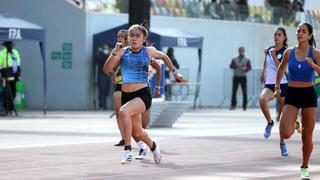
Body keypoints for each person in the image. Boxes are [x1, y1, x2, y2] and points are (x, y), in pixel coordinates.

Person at [104, 24, 183, 164]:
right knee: (138, 133)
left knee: (123, 112)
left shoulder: (148, 51)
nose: (134, 38)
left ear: (144, 38)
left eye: (137, 36)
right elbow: (107, 69)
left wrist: (175, 72)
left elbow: (164, 57)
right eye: (131, 35)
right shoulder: (122, 51)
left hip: (142, 94)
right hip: (126, 94)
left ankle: (127, 150)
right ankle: (153, 146)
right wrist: (114, 54)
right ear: (127, 38)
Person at [275, 22, 320, 179]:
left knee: (307, 137)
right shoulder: (289, 52)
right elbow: (281, 69)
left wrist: (314, 65)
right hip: (293, 93)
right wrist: (277, 87)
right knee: (285, 132)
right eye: (298, 31)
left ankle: (304, 167)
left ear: (310, 35)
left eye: (303, 31)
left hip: (308, 94)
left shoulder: (315, 53)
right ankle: (295, 124)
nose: (300, 33)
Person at [112, 29, 162, 160]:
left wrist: (157, 86)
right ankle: (150, 146)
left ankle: (130, 147)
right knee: (133, 127)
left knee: (139, 123)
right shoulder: (120, 53)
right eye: (119, 37)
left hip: (142, 91)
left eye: (122, 37)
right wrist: (114, 64)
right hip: (123, 88)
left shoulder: (144, 53)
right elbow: (110, 68)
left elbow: (158, 67)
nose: (120, 40)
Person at [259, 27, 302, 156]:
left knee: (283, 120)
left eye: (279, 35)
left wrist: (273, 55)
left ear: (284, 37)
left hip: (283, 85)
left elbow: (282, 68)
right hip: (270, 84)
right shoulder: (269, 50)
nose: (276, 36)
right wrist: (263, 73)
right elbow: (266, 62)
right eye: (275, 34)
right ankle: (269, 122)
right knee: (262, 99)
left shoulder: (286, 51)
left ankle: (283, 142)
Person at [0, 41, 21, 116]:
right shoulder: (2, 53)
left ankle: (10, 108)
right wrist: (4, 70)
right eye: (11, 45)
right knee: (5, 93)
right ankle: (5, 109)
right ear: (6, 46)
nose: (12, 47)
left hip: (14, 76)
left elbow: (18, 62)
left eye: (13, 45)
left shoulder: (15, 52)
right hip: (6, 76)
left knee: (13, 92)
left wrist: (18, 72)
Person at [96, 44, 112, 110]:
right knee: (102, 90)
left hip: (108, 75)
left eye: (107, 48)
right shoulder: (100, 55)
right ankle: (101, 106)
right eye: (104, 48)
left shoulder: (109, 55)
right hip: (101, 75)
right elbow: (100, 60)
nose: (106, 50)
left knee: (107, 91)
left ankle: (105, 105)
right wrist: (101, 52)